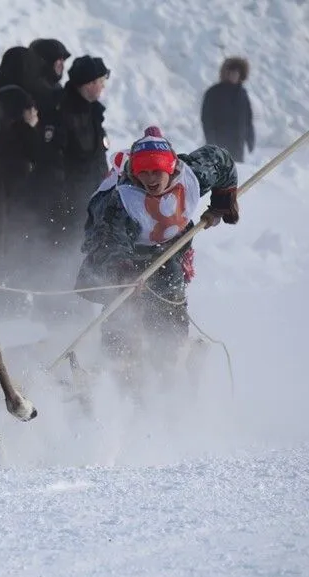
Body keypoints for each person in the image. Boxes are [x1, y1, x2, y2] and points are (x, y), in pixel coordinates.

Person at [77, 128, 239, 372]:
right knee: (123, 307)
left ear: (170, 168)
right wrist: (123, 273)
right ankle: (116, 367)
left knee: (169, 297)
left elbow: (221, 160)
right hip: (127, 254)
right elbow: (107, 243)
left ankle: (171, 361)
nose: (150, 179)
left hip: (170, 247)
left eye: (156, 172)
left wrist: (222, 202)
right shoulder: (121, 201)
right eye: (143, 172)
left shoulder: (193, 175)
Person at [201, 57, 255, 163]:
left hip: (238, 144)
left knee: (237, 169)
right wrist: (211, 141)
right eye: (231, 73)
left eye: (236, 73)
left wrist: (250, 138)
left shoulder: (242, 94)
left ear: (241, 75)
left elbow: (248, 119)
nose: (234, 76)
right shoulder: (214, 92)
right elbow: (207, 118)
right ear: (226, 73)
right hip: (219, 143)